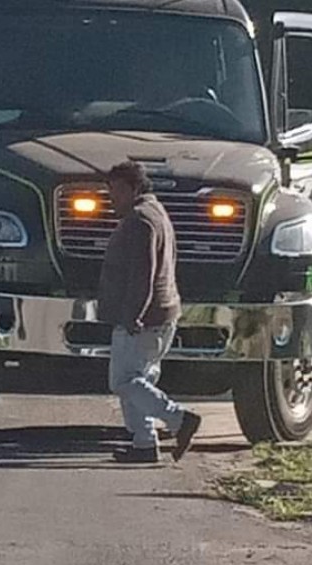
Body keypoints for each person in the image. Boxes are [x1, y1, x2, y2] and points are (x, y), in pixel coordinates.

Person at [98, 161, 201, 464]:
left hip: (143, 318)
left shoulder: (140, 221)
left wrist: (132, 315)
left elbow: (143, 274)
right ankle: (144, 444)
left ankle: (180, 420)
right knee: (138, 379)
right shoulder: (156, 213)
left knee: (124, 381)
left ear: (134, 188)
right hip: (161, 314)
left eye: (116, 191)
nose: (111, 198)